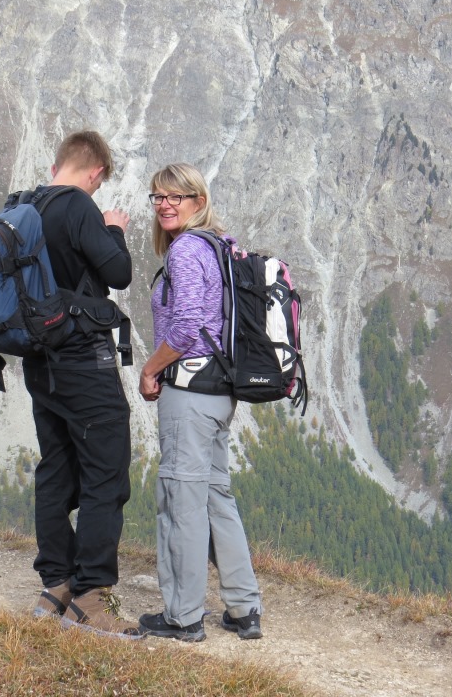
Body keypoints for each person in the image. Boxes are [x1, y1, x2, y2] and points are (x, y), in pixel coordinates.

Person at [136, 163, 263, 643]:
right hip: (220, 391)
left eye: (177, 196)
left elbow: (187, 325)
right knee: (214, 497)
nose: (165, 205)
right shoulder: (221, 245)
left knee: (181, 503)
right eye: (158, 197)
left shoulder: (187, 249)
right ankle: (244, 608)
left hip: (188, 393)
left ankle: (183, 616)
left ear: (199, 200)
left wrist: (151, 369)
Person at [24, 130, 143, 639]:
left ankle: (56, 586)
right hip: (81, 360)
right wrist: (112, 229)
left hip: (38, 361)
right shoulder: (78, 207)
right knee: (105, 472)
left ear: (58, 166)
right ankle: (91, 597)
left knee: (56, 467)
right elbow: (119, 273)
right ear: (96, 173)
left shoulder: (26, 206)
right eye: (99, 183)